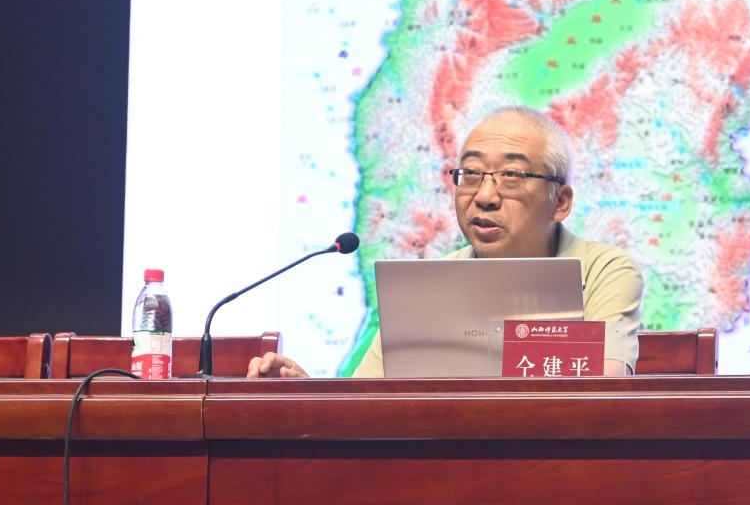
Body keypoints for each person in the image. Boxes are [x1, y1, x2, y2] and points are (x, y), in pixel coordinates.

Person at [247, 106, 644, 378]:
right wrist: (305, 390)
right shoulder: (430, 284)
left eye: (512, 176)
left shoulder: (604, 270)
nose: (485, 196)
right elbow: (365, 401)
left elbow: (605, 383)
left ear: (561, 202)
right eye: (470, 174)